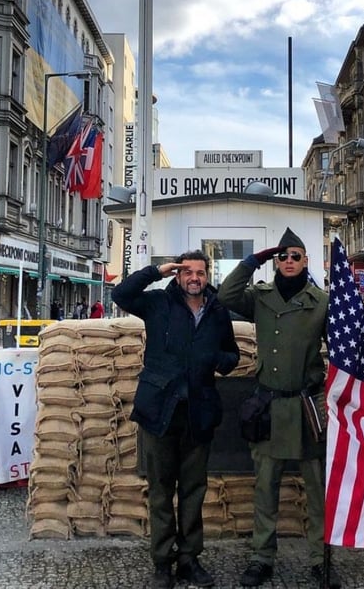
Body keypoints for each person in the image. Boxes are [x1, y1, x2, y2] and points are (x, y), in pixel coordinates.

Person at [217, 228, 340, 589]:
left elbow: (342, 349)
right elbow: (226, 294)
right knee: (265, 487)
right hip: (268, 406)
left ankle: (321, 558)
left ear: (306, 261)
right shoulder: (260, 297)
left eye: (295, 256)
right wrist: (253, 260)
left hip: (307, 405)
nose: (288, 262)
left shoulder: (322, 301)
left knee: (317, 488)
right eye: (282, 256)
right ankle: (261, 557)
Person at [111, 250, 239, 589]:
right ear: (178, 276)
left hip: (200, 412)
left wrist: (218, 359)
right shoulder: (157, 303)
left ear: (207, 275)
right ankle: (162, 563)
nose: (194, 277)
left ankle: (189, 559)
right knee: (161, 491)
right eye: (188, 272)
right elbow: (120, 294)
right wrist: (156, 270)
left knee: (194, 491)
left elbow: (232, 353)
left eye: (200, 272)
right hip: (160, 412)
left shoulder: (217, 310)